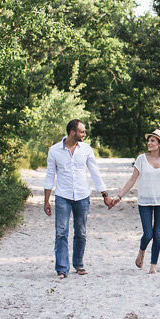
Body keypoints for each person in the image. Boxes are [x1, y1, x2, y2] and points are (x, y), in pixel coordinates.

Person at [44, 119, 111, 279]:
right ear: (72, 132)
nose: (84, 134)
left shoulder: (86, 149)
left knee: (80, 232)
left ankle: (78, 264)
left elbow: (95, 172)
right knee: (61, 232)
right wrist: (46, 200)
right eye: (82, 132)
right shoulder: (54, 150)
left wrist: (105, 194)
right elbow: (49, 175)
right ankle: (62, 268)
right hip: (63, 196)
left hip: (82, 195)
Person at [108, 129, 160, 273]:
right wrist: (119, 196)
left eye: (152, 140)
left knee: (157, 234)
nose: (149, 143)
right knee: (148, 234)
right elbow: (133, 179)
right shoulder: (141, 159)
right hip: (144, 201)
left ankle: (153, 267)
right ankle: (142, 250)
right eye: (149, 140)